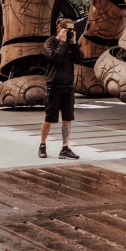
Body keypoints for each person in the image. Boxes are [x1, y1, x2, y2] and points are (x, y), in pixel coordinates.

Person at [39, 17, 82, 160]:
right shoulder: (50, 42)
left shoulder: (70, 44)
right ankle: (42, 145)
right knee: (50, 117)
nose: (70, 32)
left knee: (67, 118)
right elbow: (55, 58)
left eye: (72, 30)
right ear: (60, 28)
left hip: (68, 85)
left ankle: (65, 148)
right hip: (54, 85)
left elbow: (79, 59)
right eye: (68, 29)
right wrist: (63, 41)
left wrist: (74, 43)